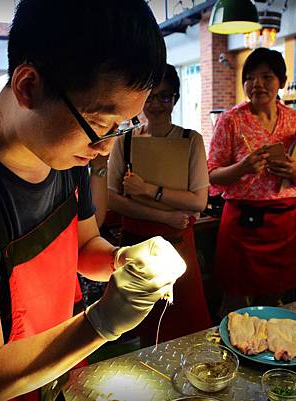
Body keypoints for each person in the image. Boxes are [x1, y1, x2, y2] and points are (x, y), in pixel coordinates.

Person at [0, 1, 186, 400]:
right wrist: (101, 323)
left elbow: (83, 246)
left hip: (61, 368)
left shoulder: (63, 151)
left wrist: (122, 260)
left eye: (122, 126)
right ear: (29, 87)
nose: (106, 148)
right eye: (100, 124)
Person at [107, 64, 212, 345]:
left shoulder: (191, 140)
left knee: (185, 322)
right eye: (150, 97)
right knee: (140, 323)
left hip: (179, 244)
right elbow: (113, 199)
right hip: (136, 243)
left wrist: (146, 190)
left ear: (175, 99)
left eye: (164, 97)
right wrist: (164, 215)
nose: (156, 104)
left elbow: (198, 201)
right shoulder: (125, 141)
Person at [207, 48, 296, 314]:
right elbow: (211, 174)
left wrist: (292, 168)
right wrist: (242, 167)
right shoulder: (230, 119)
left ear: (281, 81)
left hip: (283, 222)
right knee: (233, 304)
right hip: (241, 224)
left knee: (275, 304)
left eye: (266, 76)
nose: (257, 84)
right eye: (250, 78)